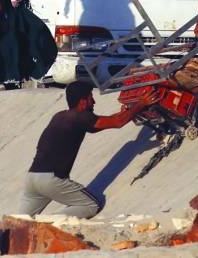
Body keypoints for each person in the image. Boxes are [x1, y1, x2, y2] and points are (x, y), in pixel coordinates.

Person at [18, 81, 154, 218]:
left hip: (32, 178)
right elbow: (117, 122)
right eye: (90, 98)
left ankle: (14, 228)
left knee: (19, 221)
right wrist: (141, 103)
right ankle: (47, 222)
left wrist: (127, 112)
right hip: (52, 179)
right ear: (82, 102)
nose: (93, 102)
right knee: (91, 205)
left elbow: (104, 123)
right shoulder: (80, 117)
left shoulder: (60, 116)